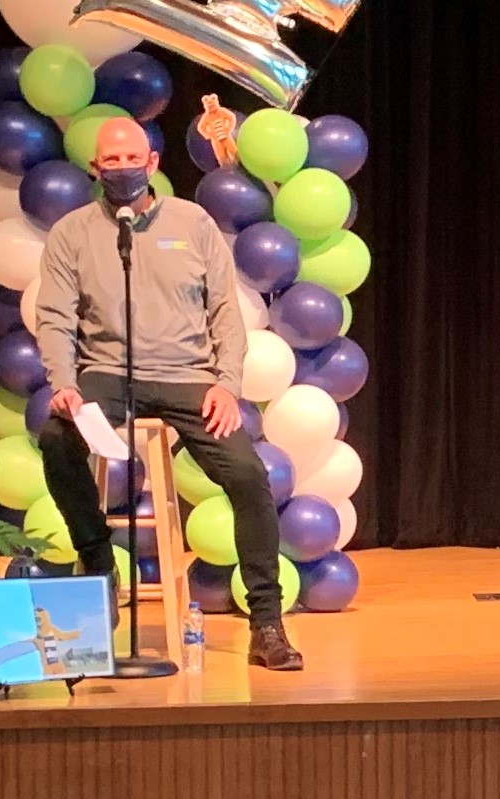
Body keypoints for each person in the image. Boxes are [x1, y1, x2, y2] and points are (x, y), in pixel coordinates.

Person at [35, 117, 303, 671]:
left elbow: (226, 313)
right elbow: (56, 317)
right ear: (95, 168)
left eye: (132, 158)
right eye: (110, 161)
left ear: (153, 162)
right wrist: (63, 384)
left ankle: (267, 623)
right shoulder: (73, 232)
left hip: (188, 376)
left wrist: (227, 385)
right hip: (106, 373)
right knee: (57, 438)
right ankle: (97, 564)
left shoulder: (193, 222)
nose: (122, 169)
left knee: (248, 475)